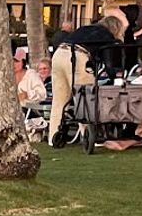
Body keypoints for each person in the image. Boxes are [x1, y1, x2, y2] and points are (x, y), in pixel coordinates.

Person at [47, 17, 121, 145]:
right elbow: (109, 63)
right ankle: (88, 135)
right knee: (86, 98)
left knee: (59, 100)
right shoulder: (106, 35)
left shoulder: (84, 29)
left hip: (59, 54)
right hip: (77, 56)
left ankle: (53, 137)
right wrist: (114, 76)